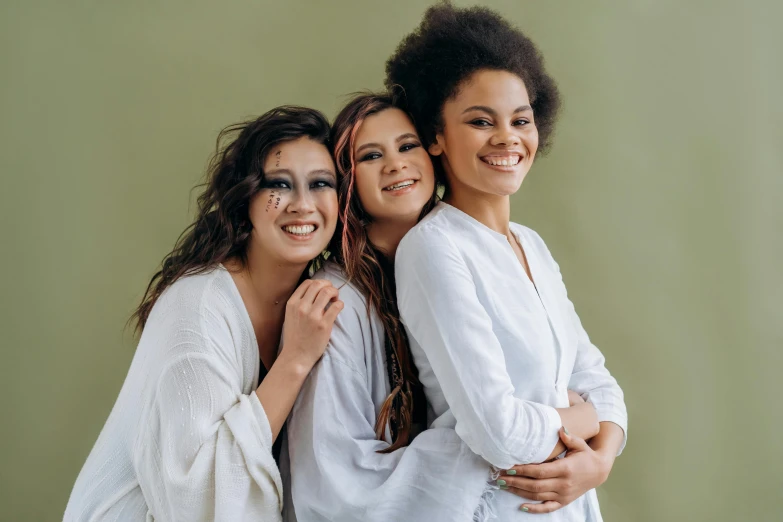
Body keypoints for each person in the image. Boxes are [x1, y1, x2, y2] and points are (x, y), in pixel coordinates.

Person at [285, 93, 601, 522]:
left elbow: (586, 377)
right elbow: (334, 472)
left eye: (407, 145)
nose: (395, 164)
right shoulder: (337, 301)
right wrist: (572, 421)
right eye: (371, 155)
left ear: (434, 151)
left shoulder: (478, 255)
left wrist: (589, 452)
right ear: (347, 180)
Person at [388, 3, 628, 519]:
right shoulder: (434, 249)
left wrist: (601, 461)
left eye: (521, 120)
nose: (507, 137)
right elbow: (500, 433)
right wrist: (584, 416)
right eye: (480, 121)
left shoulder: (531, 245)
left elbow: (602, 384)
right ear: (436, 135)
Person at [64, 106, 343, 522]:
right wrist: (296, 360)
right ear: (245, 198)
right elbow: (197, 500)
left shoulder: (311, 301)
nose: (303, 204)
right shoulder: (197, 306)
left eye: (321, 183)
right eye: (278, 185)